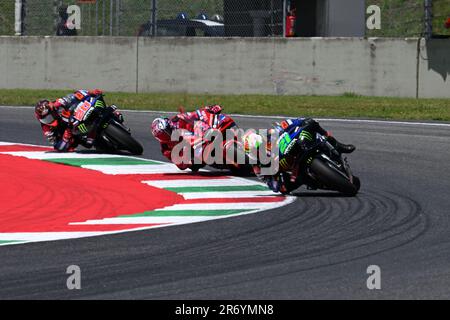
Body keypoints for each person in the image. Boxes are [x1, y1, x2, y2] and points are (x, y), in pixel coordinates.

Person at [244, 117, 355, 193]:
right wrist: (276, 177)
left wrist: (300, 123)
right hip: (291, 172)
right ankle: (314, 181)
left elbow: (292, 123)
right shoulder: (257, 166)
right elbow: (273, 186)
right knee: (284, 189)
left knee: (311, 122)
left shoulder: (272, 133)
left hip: (299, 144)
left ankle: (338, 145)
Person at [151, 104, 224, 170]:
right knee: (195, 164)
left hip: (199, 135)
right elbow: (180, 164)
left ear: (168, 124)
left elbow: (194, 114)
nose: (166, 136)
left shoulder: (177, 120)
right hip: (192, 156)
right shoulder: (165, 148)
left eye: (166, 131)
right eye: (162, 136)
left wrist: (208, 109)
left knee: (205, 123)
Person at [34, 89, 105, 152]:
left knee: (95, 100)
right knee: (87, 143)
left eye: (49, 117)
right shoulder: (46, 129)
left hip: (78, 114)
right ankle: (92, 136)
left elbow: (76, 95)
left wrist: (90, 92)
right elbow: (58, 147)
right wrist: (65, 139)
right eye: (45, 119)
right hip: (73, 133)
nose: (48, 121)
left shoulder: (58, 103)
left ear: (53, 110)